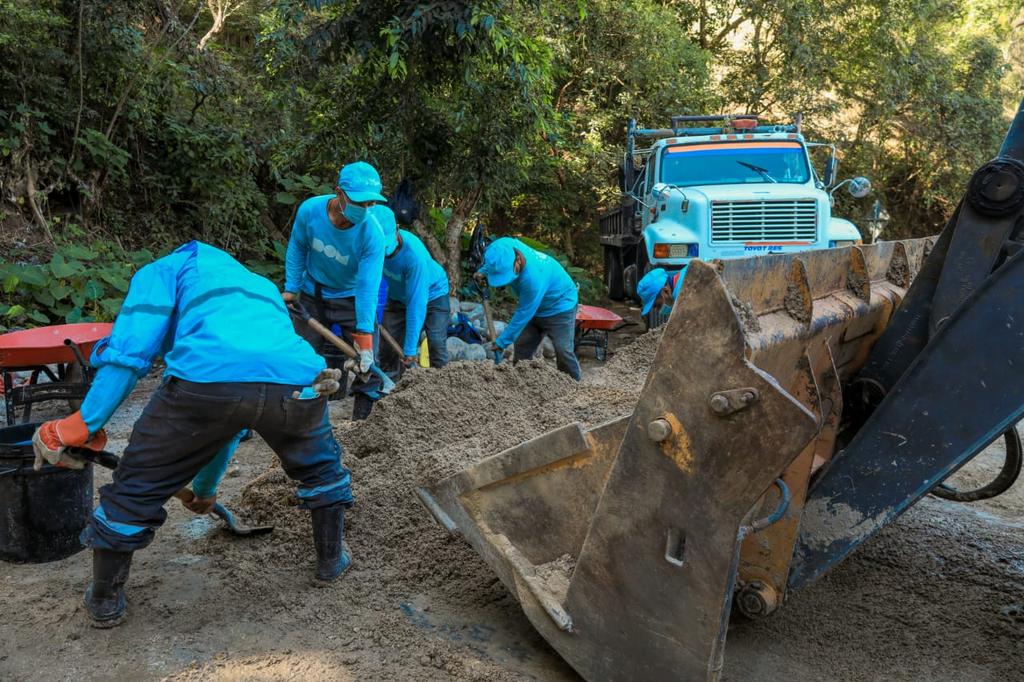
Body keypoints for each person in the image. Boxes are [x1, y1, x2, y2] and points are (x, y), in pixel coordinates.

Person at [31, 241, 354, 629]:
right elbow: (234, 416)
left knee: (137, 487)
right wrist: (205, 490)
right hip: (300, 381)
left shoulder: (163, 271)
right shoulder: (259, 286)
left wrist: (80, 425)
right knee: (321, 470)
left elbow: (128, 356)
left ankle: (104, 600)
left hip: (205, 382)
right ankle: (331, 560)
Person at [283, 161, 392, 420]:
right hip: (312, 295)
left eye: (370, 204)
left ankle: (362, 425)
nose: (365, 210)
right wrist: (291, 288)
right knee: (300, 357)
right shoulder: (310, 211)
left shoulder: (372, 234)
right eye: (359, 203)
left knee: (367, 365)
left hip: (350, 299)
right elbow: (297, 247)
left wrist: (364, 333)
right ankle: (296, 418)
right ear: (339, 193)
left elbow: (367, 286)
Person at [477, 237, 581, 380]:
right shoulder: (503, 246)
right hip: (535, 305)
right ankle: (521, 383)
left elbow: (524, 313)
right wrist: (481, 272)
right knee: (523, 345)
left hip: (560, 305)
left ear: (518, 259)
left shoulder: (533, 278)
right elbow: (494, 261)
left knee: (563, 350)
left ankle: (575, 386)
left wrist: (502, 342)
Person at [379, 213, 451, 375]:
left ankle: (444, 387)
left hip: (434, 295)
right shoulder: (368, 245)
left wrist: (411, 349)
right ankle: (390, 388)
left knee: (436, 342)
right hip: (397, 297)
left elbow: (416, 304)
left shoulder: (414, 256)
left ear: (397, 229)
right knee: (387, 347)